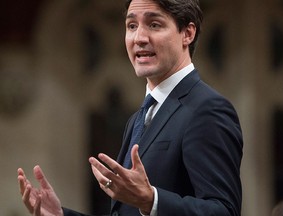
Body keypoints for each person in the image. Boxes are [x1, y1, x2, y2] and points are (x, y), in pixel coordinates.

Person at [17, 0, 243, 215]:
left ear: (187, 33)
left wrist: (151, 200)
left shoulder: (208, 109)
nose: (139, 38)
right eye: (132, 25)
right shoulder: (138, 119)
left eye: (154, 24)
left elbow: (223, 210)